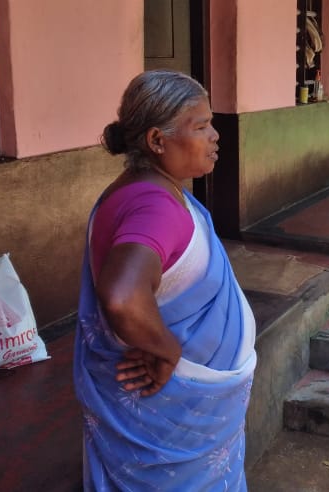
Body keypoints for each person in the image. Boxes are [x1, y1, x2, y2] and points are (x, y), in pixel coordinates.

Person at [72, 70, 257, 490]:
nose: (215, 136)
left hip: (179, 417)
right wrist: (167, 349)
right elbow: (121, 296)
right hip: (170, 414)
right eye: (201, 126)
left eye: (211, 123)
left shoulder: (145, 190)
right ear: (157, 141)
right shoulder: (154, 206)